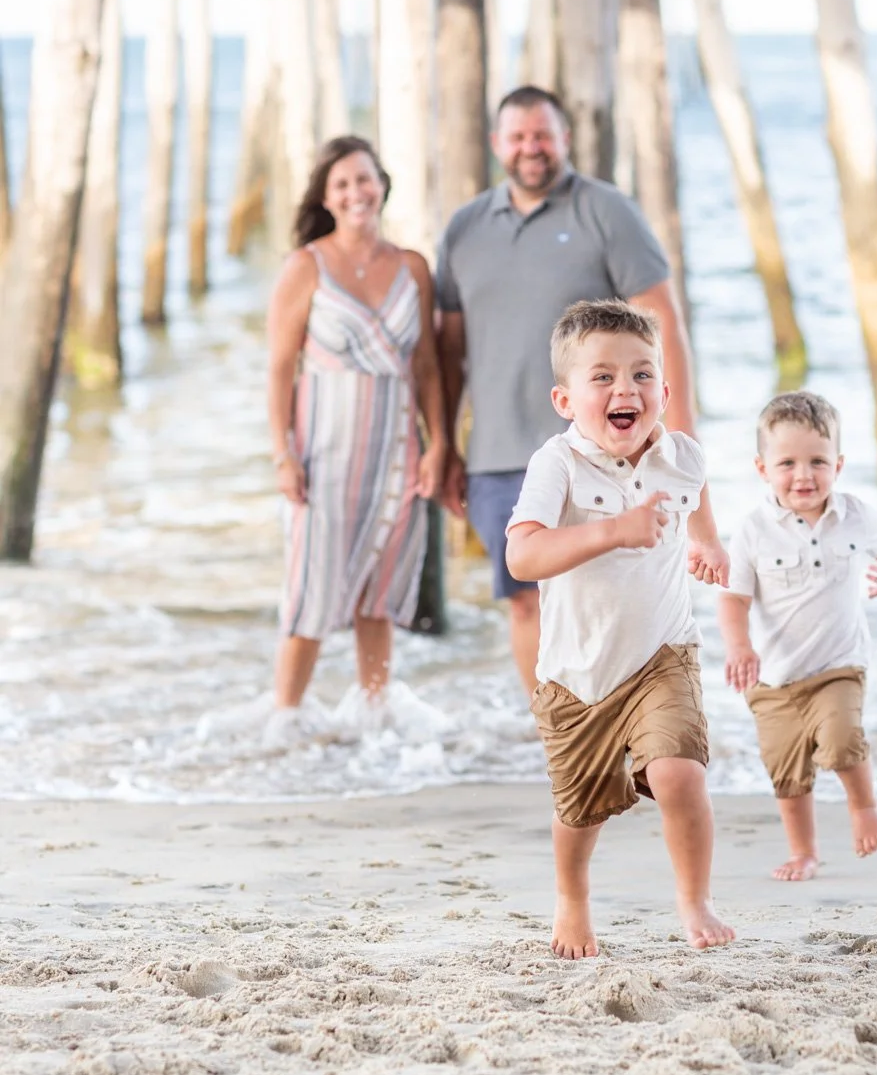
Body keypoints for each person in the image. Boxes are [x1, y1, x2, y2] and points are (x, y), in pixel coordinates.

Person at [436, 86, 697, 696]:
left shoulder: (607, 212)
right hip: (499, 452)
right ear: (498, 144)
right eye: (519, 136)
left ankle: (633, 720)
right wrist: (444, 445)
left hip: (605, 450)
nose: (532, 148)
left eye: (543, 135)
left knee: (617, 592)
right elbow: (448, 352)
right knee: (526, 598)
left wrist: (676, 435)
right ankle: (556, 733)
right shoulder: (465, 228)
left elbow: (662, 325)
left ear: (566, 139)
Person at [506, 299, 735, 959]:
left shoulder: (681, 453)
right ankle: (573, 898)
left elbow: (695, 486)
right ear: (565, 399)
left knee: (680, 775)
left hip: (664, 653)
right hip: (576, 674)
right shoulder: (558, 464)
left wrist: (707, 543)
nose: (623, 389)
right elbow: (522, 556)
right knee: (581, 811)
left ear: (663, 391)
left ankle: (694, 899)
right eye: (602, 377)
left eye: (640, 375)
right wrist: (613, 531)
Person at [266, 135, 447, 719]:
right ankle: (283, 721)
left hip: (395, 450)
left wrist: (439, 442)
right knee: (311, 594)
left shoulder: (413, 267)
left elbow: (425, 366)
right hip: (325, 455)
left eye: (363, 179)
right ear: (326, 196)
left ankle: (376, 721)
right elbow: (278, 368)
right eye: (341, 184)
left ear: (382, 184)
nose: (355, 193)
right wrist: (283, 455)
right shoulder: (306, 267)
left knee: (380, 590)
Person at [716, 391, 877, 881]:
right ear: (762, 468)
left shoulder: (856, 515)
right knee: (786, 771)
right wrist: (739, 646)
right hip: (774, 678)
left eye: (818, 461)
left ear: (838, 464)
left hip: (838, 666)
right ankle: (804, 851)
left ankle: (863, 806)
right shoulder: (754, 531)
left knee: (842, 738)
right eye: (788, 463)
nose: (804, 475)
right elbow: (733, 599)